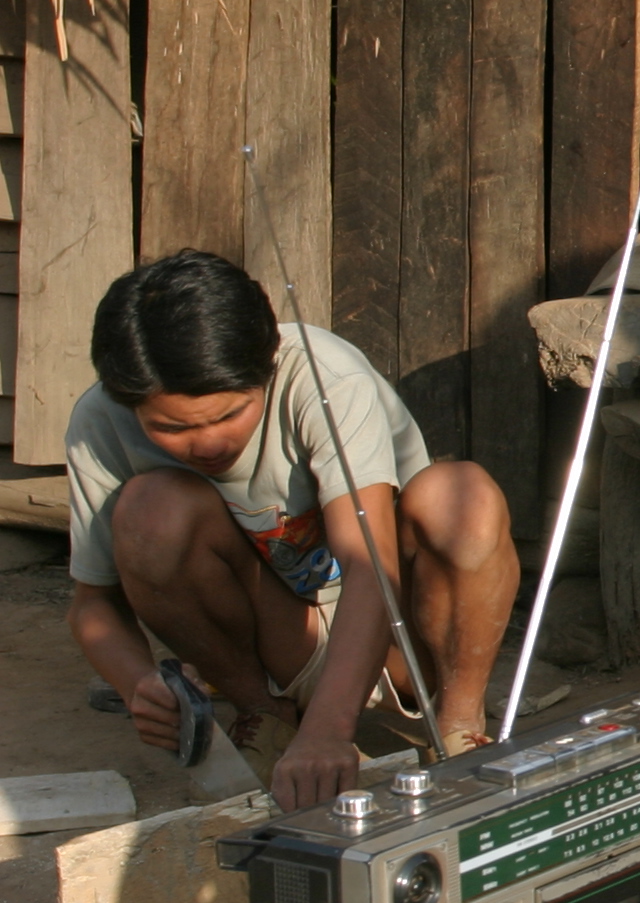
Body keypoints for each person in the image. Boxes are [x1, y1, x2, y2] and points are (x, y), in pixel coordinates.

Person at [63, 252, 518, 811]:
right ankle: (266, 718)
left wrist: (328, 731)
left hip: (398, 635)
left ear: (269, 366)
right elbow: (93, 606)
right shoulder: (99, 420)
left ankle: (457, 723)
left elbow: (371, 569)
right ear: (127, 402)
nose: (207, 443)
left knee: (460, 497)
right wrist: (139, 685)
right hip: (280, 644)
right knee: (150, 510)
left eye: (229, 415)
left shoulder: (324, 376)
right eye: (171, 428)